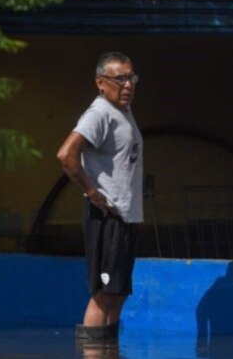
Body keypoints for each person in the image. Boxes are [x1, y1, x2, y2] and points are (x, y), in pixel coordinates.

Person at [56, 52, 144, 342]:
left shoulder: (123, 110)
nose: (128, 85)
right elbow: (67, 154)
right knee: (103, 295)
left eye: (131, 77)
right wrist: (92, 192)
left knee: (117, 295)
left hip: (126, 216)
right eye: (120, 79)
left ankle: (109, 351)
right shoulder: (99, 113)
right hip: (107, 216)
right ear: (100, 83)